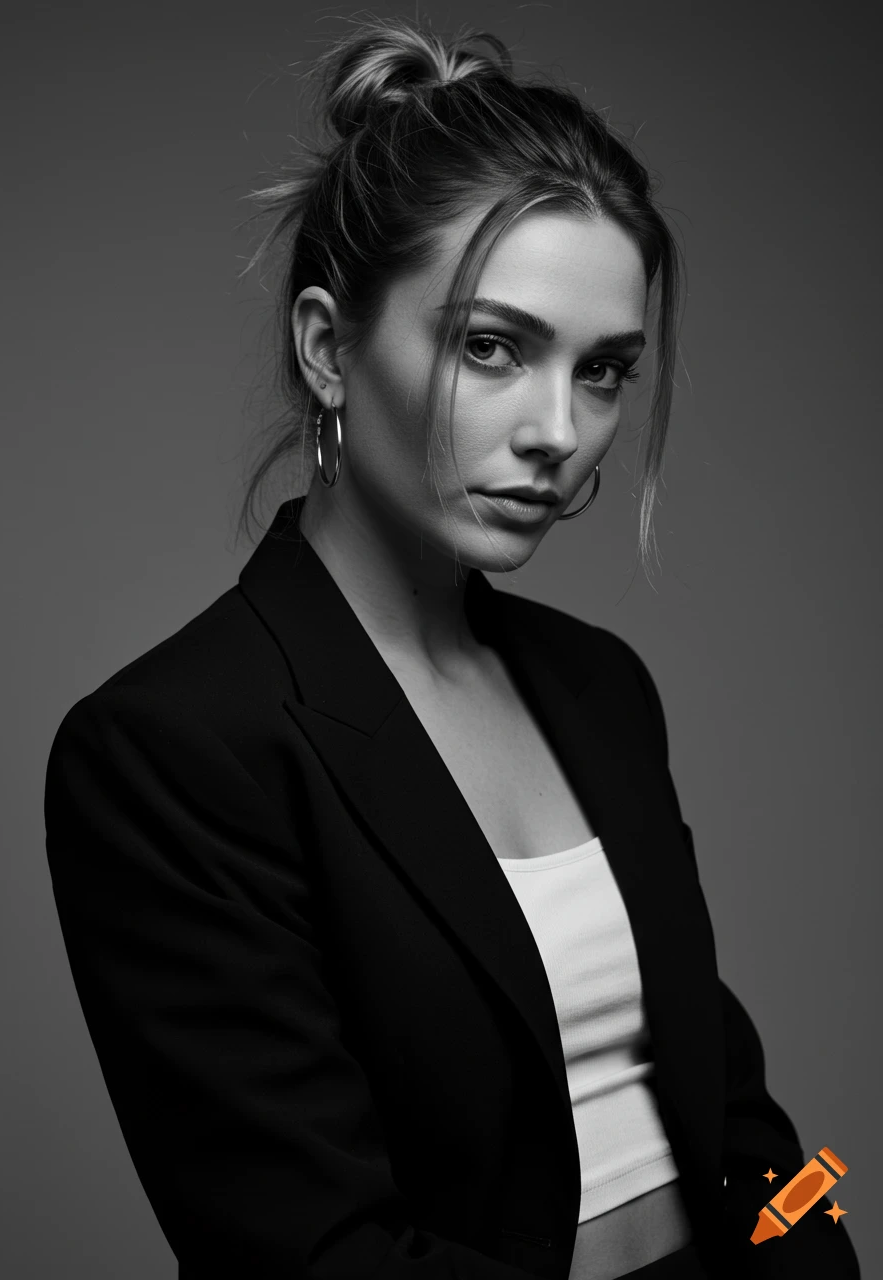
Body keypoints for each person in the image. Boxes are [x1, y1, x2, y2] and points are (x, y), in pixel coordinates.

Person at [43, 15, 860, 1280]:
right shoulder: (173, 748)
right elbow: (314, 1251)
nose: (558, 430)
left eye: (604, 371)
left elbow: (732, 1113)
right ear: (328, 348)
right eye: (493, 346)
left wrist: (814, 1255)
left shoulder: (600, 687)